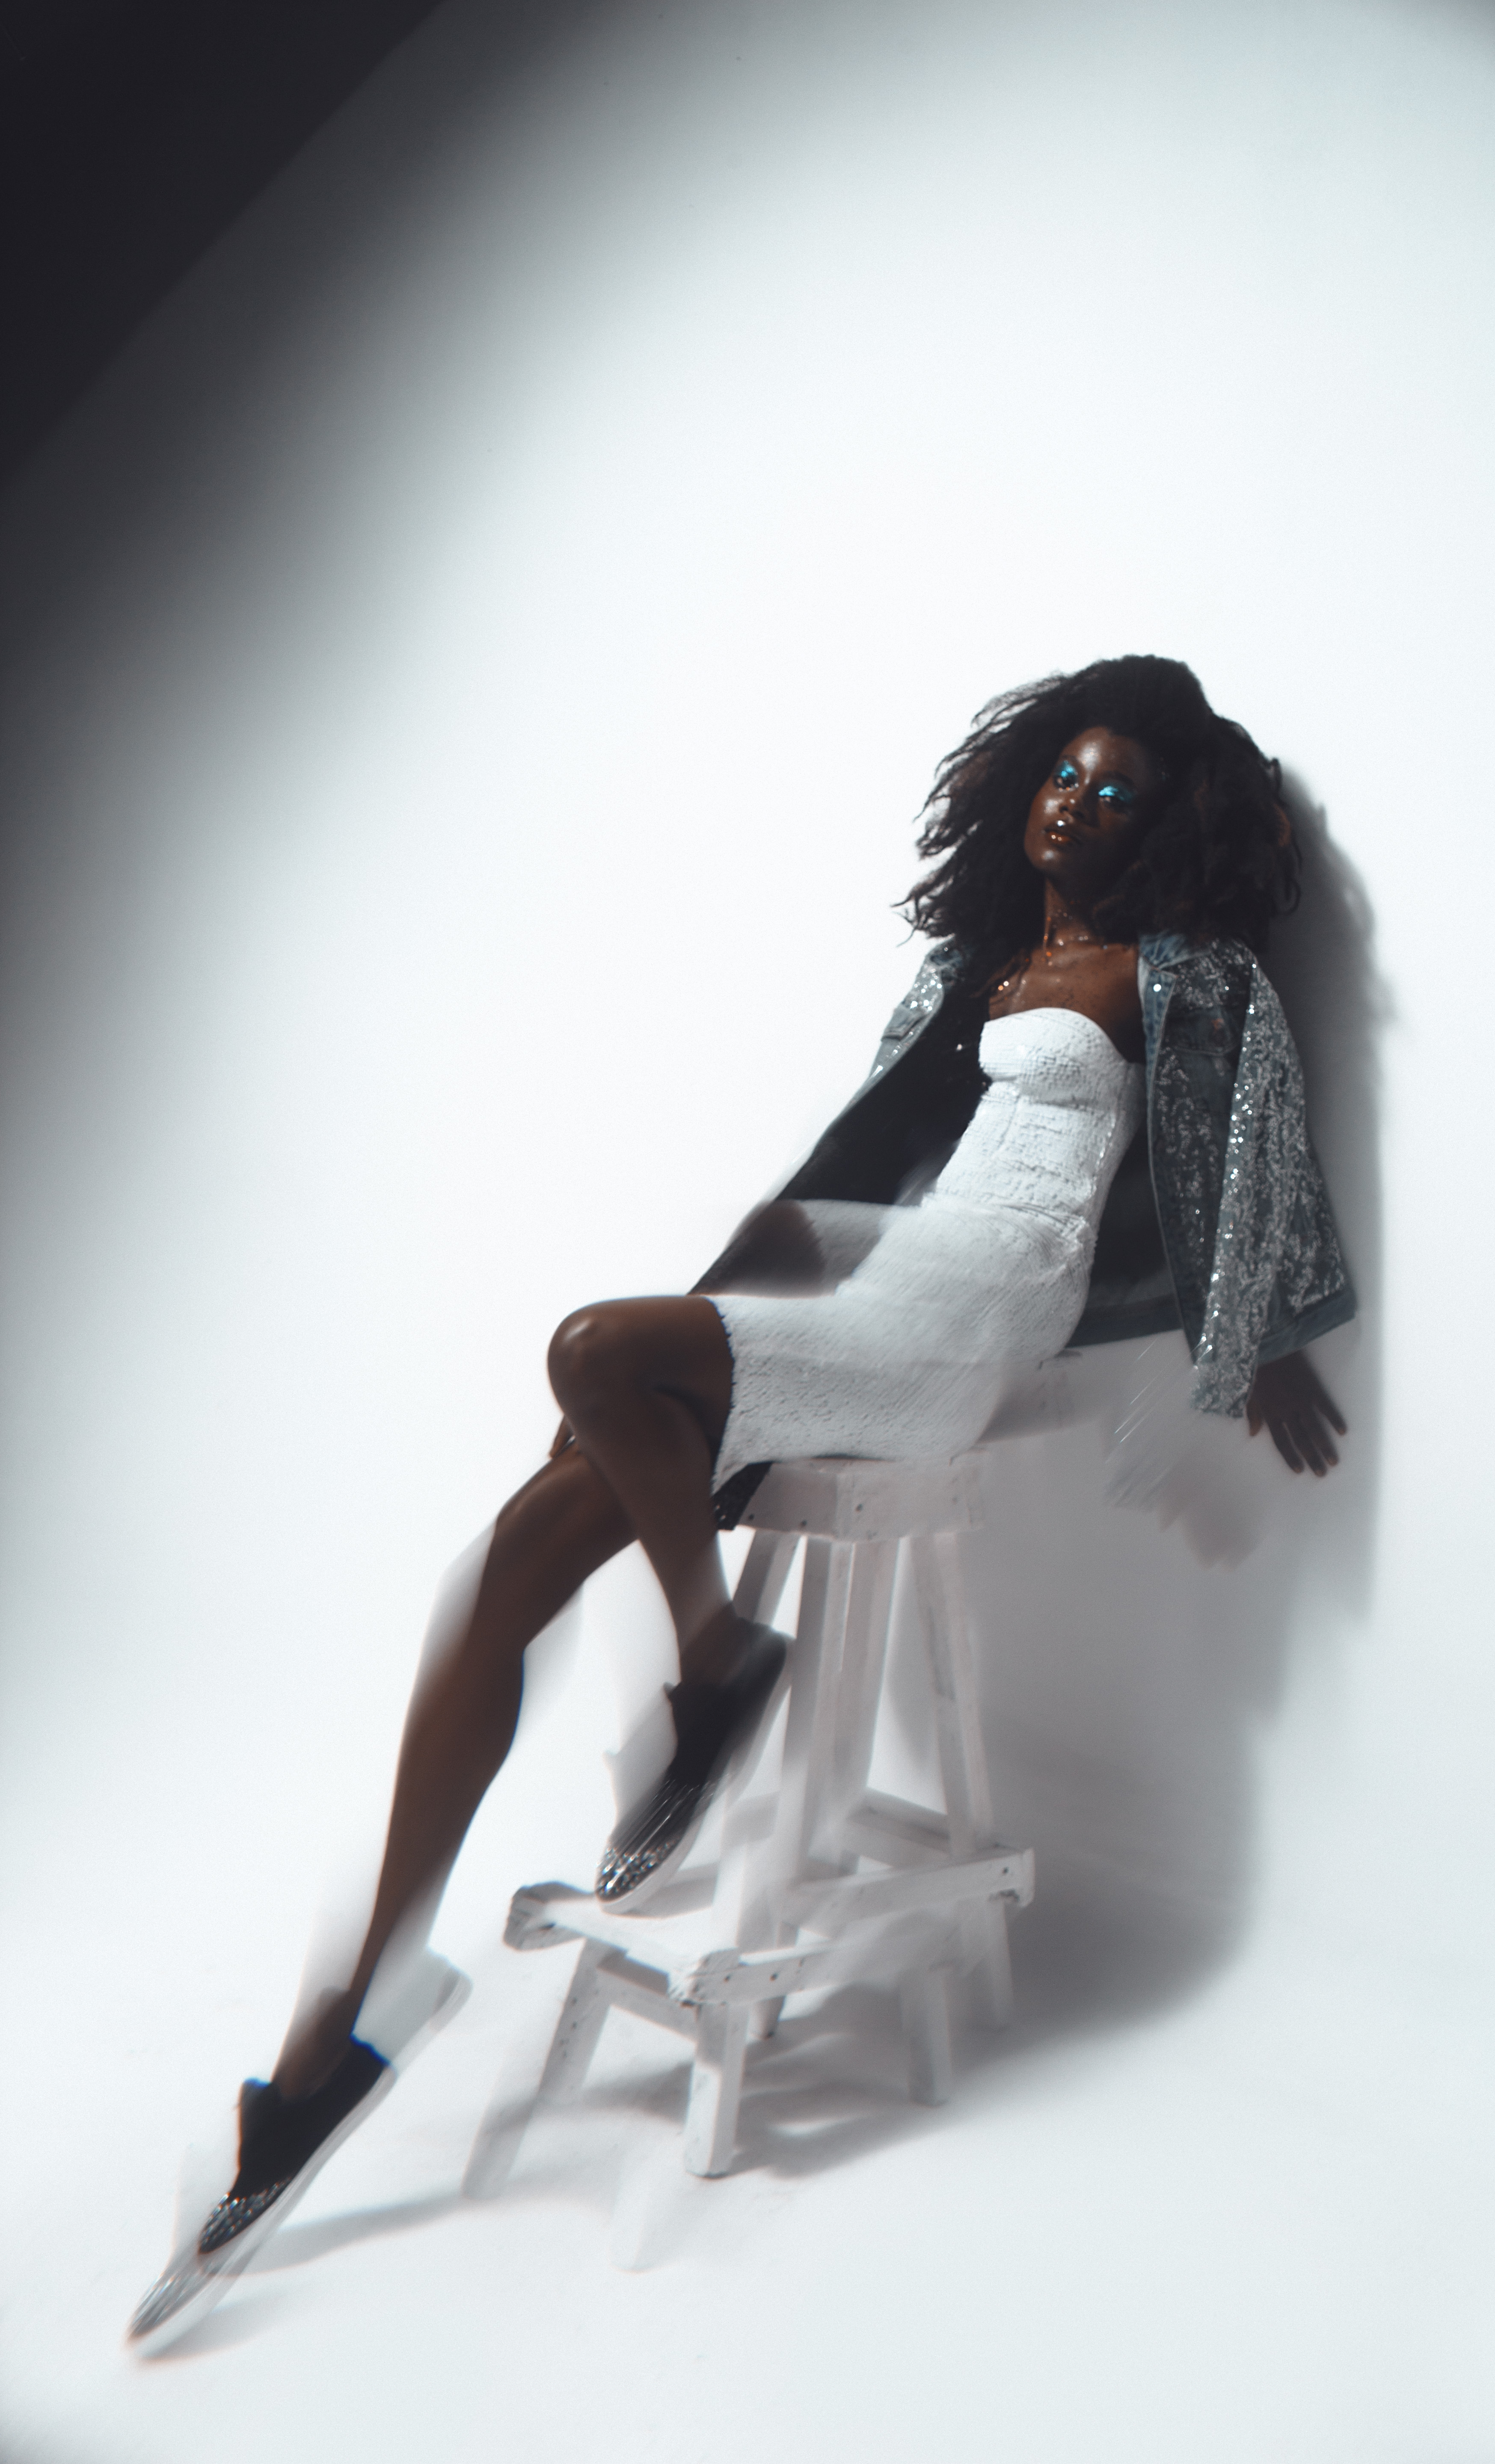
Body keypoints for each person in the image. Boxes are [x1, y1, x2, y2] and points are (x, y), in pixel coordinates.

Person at [129, 653, 1353, 2345]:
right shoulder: (973, 968)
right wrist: (728, 1317)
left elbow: (1251, 1155)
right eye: (1061, 773)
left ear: (1174, 821)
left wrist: (1271, 1337)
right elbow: (858, 1172)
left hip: (970, 1321)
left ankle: (718, 1674)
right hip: (879, 1280)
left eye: (1117, 787)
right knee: (507, 1561)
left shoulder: (1187, 979)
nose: (1073, 801)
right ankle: (338, 2025)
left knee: (589, 1352)